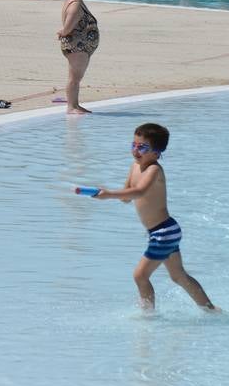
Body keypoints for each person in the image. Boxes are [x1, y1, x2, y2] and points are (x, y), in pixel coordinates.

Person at [82, 123, 217, 312]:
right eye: (134, 145)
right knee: (178, 276)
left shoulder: (154, 170)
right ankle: (210, 310)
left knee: (140, 276)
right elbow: (128, 198)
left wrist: (109, 194)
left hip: (164, 232)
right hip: (164, 230)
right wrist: (101, 192)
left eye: (142, 147)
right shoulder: (134, 167)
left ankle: (147, 317)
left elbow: (139, 191)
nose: (136, 151)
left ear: (157, 152)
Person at [57, 0, 99, 115]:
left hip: (79, 46)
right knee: (74, 78)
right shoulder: (75, 4)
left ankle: (75, 104)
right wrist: (62, 32)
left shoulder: (74, 0)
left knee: (76, 78)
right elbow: (68, 27)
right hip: (77, 47)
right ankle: (71, 107)